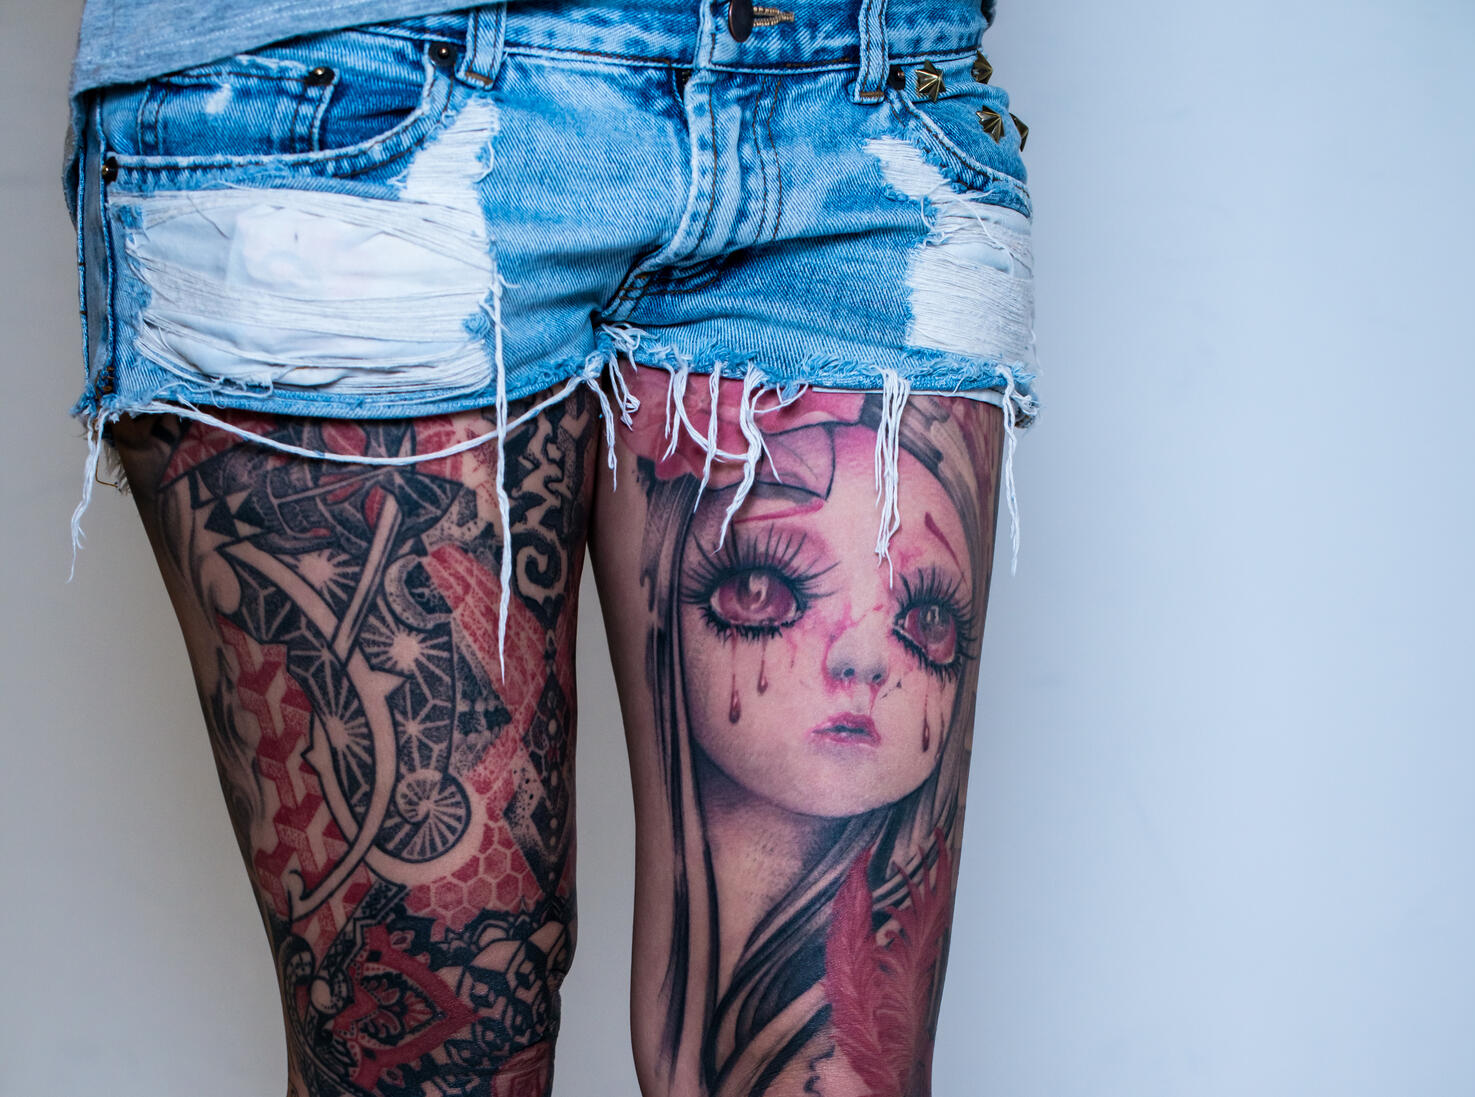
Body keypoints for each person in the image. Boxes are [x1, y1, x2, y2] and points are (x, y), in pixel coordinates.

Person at [64, 1, 1037, 1093]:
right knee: (436, 1047)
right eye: (762, 587)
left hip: (866, 95)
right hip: (367, 108)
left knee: (836, 1068)